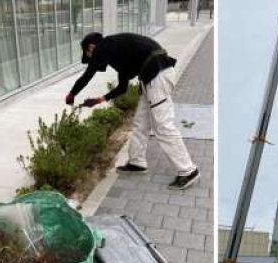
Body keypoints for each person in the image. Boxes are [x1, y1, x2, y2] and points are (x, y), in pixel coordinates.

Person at [65, 32, 200, 190]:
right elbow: (122, 88)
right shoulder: (119, 51)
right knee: (140, 124)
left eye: (89, 54)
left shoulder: (105, 45)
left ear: (91, 47)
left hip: (158, 76)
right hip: (150, 79)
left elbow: (88, 74)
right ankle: (137, 162)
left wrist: (72, 94)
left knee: (163, 126)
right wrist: (99, 100)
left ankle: (188, 170)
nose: (92, 59)